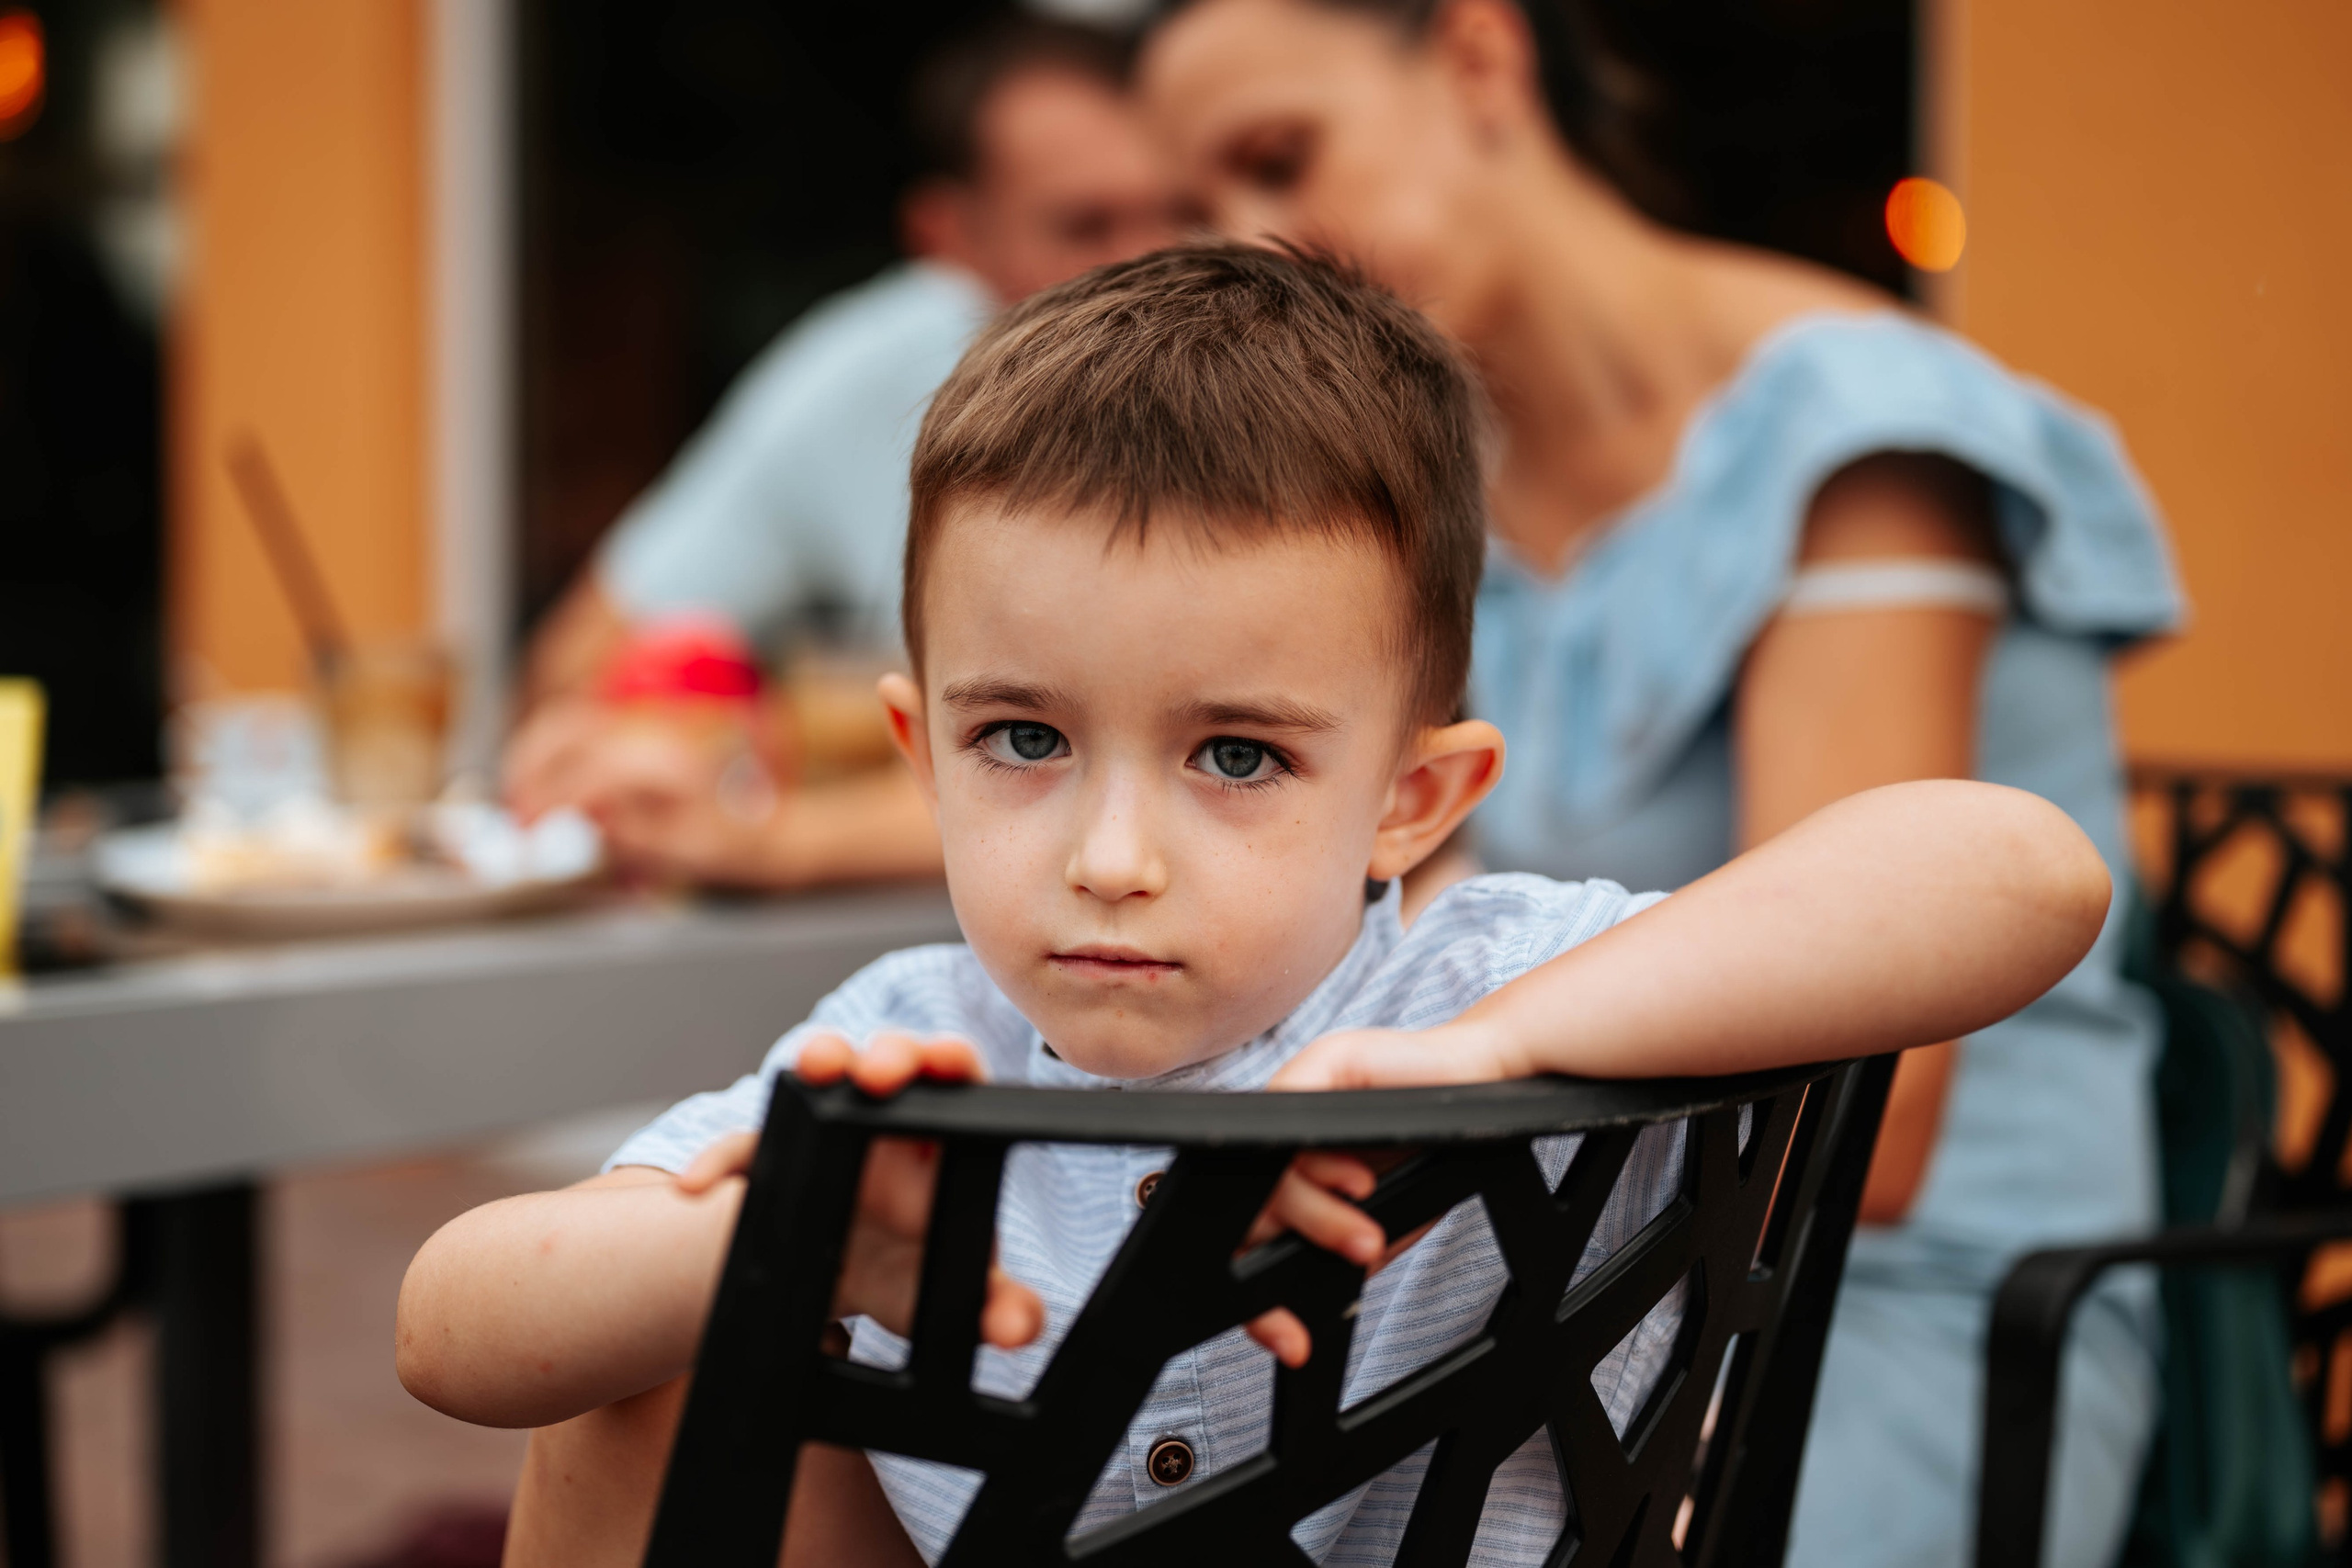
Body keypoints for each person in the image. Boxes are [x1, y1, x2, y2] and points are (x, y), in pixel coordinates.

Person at [399, 244, 2114, 1566]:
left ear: (1411, 800)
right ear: (921, 751)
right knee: (651, 1369)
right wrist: (786, 1241)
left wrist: (1502, 1052)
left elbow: (2022, 871)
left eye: (1234, 756)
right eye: (1024, 739)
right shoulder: (912, 1044)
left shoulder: (1481, 986)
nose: (1112, 854)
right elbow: (452, 1333)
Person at [1135, 3, 2185, 1563]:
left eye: (1280, 157)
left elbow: (1860, 1131)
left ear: (1480, 59)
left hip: (1877, 1300)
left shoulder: (1855, 444)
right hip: (1571, 1249)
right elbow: (1198, 768)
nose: (1251, 238)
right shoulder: (1446, 487)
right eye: (1199, 205)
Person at [504, 15, 1183, 886]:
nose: (1152, 264)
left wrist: (783, 834)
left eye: (1186, 211)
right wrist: (710, 738)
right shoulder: (870, 372)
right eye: (1084, 227)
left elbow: (1132, 779)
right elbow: (571, 671)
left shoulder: (1286, 393)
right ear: (950, 239)